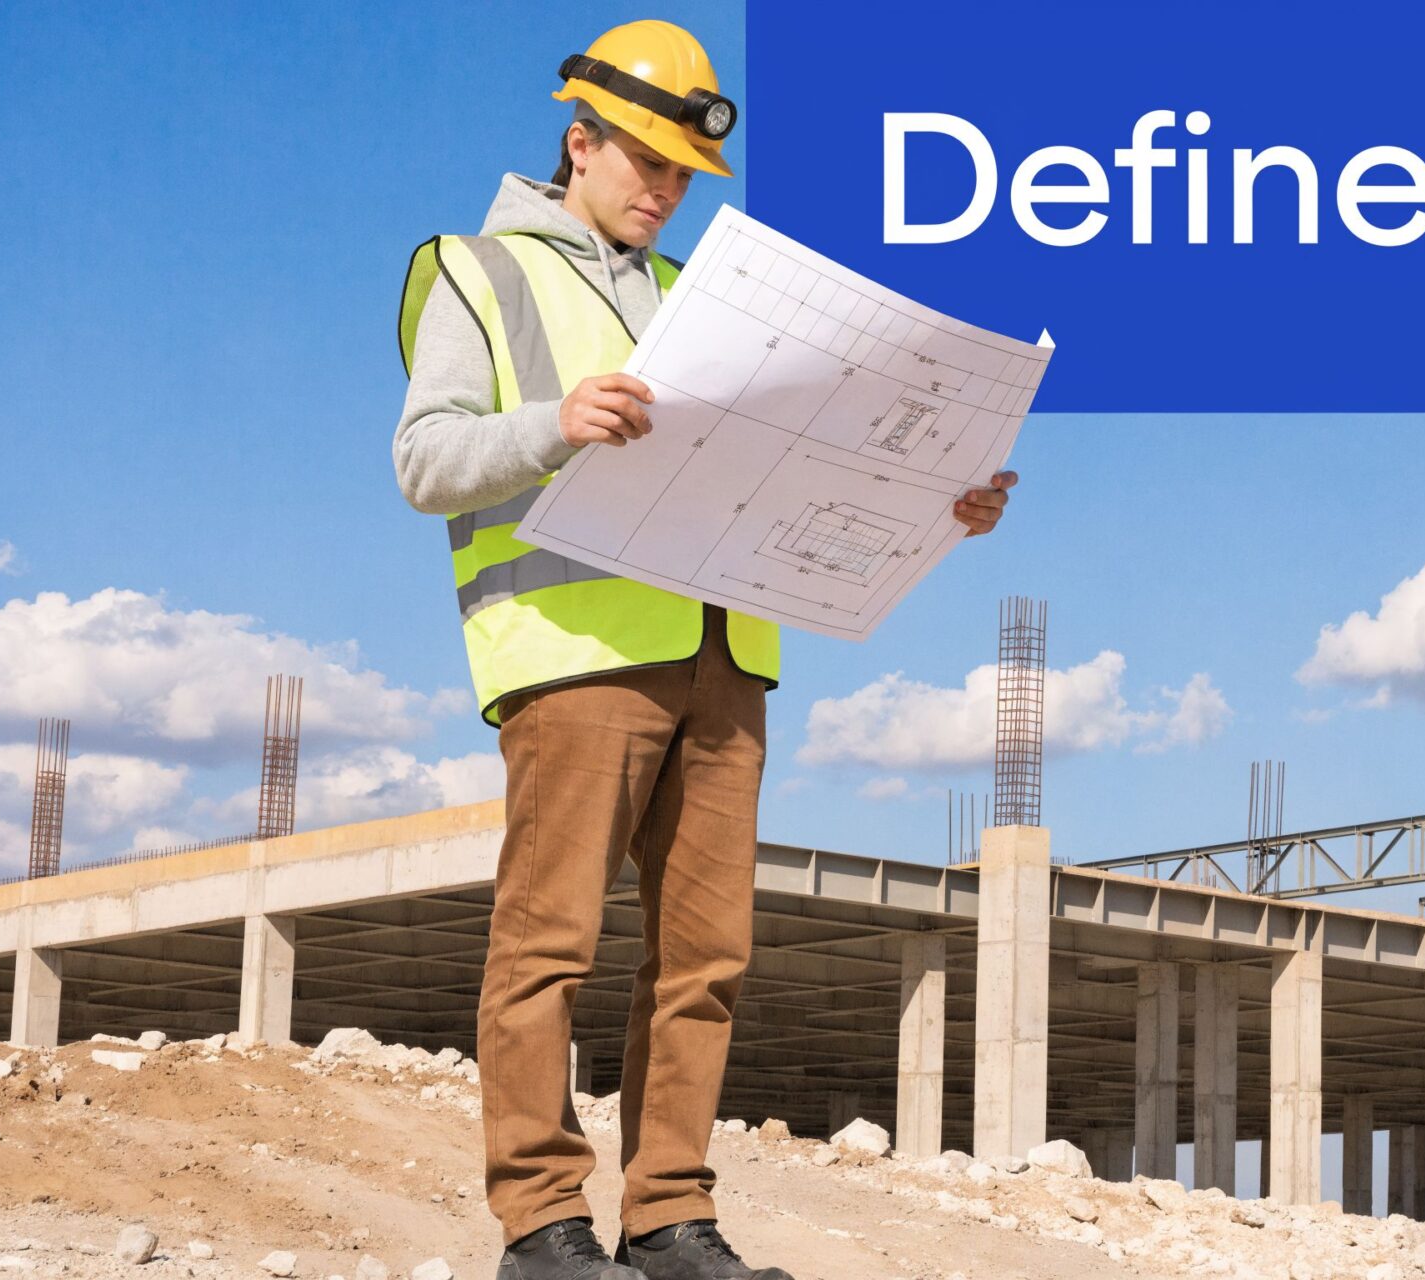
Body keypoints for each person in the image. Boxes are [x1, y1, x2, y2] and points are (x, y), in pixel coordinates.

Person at [393, 20, 1017, 1280]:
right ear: (580, 144)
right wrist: (556, 424)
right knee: (548, 942)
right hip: (570, 651)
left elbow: (795, 477)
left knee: (707, 958)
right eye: (648, 163)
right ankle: (541, 1224)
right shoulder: (474, 271)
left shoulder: (694, 302)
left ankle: (671, 1217)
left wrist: (937, 504)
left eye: (684, 174)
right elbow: (424, 460)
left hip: (724, 655)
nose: (666, 191)